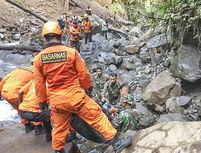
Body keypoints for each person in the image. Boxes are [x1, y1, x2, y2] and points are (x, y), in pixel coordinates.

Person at [33, 21, 132, 153]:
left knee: (59, 127)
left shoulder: (39, 58)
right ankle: (116, 142)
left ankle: (58, 150)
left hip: (57, 101)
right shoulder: (71, 52)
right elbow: (83, 74)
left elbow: (39, 83)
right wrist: (88, 88)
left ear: (45, 37)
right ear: (60, 35)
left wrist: (42, 102)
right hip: (76, 97)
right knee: (96, 116)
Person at [0, 67, 35, 133]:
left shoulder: (18, 70)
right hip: (17, 93)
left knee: (19, 108)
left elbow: (3, 81)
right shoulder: (37, 73)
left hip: (5, 92)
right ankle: (38, 127)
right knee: (34, 106)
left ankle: (27, 125)